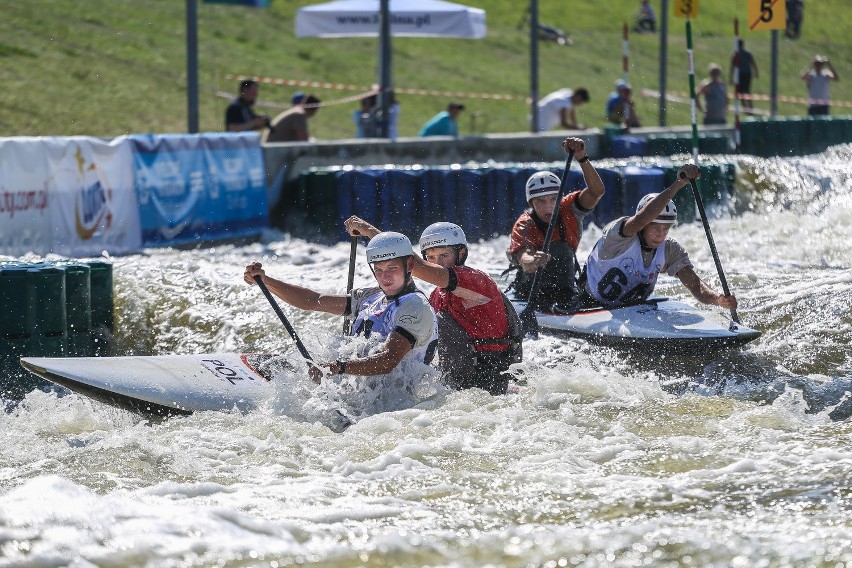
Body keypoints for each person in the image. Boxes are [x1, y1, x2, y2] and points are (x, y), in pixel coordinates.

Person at [345, 217, 523, 396]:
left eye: (444, 256)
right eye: (430, 257)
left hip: (490, 379)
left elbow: (422, 268)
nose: (436, 263)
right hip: (459, 383)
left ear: (461, 253)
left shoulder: (477, 281)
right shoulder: (436, 296)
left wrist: (370, 232)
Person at [243, 231, 437, 385]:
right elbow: (313, 300)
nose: (385, 277)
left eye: (392, 268)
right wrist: (266, 281)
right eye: (378, 269)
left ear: (410, 264)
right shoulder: (371, 297)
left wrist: (336, 368)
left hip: (392, 403)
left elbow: (388, 360)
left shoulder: (415, 306)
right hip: (358, 390)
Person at [579, 164, 738, 312]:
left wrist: (718, 299)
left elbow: (696, 287)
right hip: (588, 304)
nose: (661, 234)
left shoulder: (669, 250)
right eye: (655, 227)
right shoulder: (619, 236)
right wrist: (678, 184)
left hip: (630, 309)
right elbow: (641, 219)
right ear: (643, 226)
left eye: (666, 228)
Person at [506, 137, 605, 312]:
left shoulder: (570, 209)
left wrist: (582, 158)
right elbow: (524, 258)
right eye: (541, 201)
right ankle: (559, 301)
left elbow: (597, 191)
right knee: (559, 250)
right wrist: (534, 260)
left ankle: (568, 297)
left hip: (563, 282)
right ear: (532, 204)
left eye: (553, 199)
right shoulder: (524, 225)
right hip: (531, 286)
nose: (549, 207)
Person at [730, 40, 758, 112]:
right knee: (747, 91)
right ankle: (750, 107)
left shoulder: (735, 54)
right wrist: (756, 72)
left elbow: (732, 67)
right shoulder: (747, 53)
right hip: (747, 73)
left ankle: (746, 108)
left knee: (741, 92)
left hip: (740, 75)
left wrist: (731, 77)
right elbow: (753, 63)